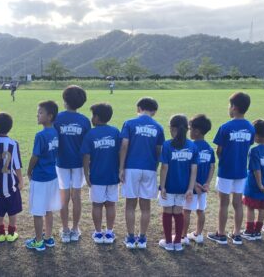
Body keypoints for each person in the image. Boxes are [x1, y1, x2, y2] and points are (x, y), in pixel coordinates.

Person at [208, 92, 255, 245]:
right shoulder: (250, 127)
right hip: (241, 171)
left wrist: (223, 159)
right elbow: (247, 146)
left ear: (234, 107)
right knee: (238, 203)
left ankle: (221, 234)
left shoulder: (225, 127)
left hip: (226, 170)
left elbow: (219, 150)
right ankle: (236, 234)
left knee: (223, 203)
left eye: (229, 106)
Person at [119, 97, 165, 249]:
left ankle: (131, 238)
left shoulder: (129, 123)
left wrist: (121, 167)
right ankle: (143, 238)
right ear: (154, 111)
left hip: (131, 167)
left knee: (130, 205)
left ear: (138, 108)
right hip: (149, 168)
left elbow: (124, 145)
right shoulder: (158, 127)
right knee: (146, 206)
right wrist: (154, 165)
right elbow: (159, 150)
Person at [54, 85, 91, 243]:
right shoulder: (84, 121)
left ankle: (65, 229)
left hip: (61, 162)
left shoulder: (57, 118)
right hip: (79, 164)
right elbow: (87, 145)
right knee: (76, 197)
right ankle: (75, 229)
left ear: (64, 100)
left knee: (64, 197)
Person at [80, 103, 120, 244]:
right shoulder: (115, 132)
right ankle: (109, 233)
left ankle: (98, 233)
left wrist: (86, 174)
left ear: (96, 117)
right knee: (110, 204)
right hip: (113, 176)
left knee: (97, 205)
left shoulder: (90, 134)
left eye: (92, 115)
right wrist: (120, 170)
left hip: (96, 176)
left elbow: (86, 156)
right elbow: (121, 153)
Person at [25, 101, 61, 252]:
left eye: (40, 112)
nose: (37, 115)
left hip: (40, 177)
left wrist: (28, 170)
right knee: (48, 209)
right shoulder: (55, 132)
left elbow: (35, 156)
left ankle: (39, 241)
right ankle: (48, 237)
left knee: (38, 211)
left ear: (50, 116)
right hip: (52, 176)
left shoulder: (40, 135)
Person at [158, 115, 198, 252]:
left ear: (173, 129)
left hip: (169, 186)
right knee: (178, 212)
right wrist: (190, 189)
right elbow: (194, 170)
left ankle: (169, 242)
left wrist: (162, 186)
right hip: (183, 187)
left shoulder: (167, 145)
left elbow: (164, 167)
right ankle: (178, 243)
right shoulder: (192, 145)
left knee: (167, 212)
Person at [182, 114, 215, 245]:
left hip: (193, 187)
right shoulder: (209, 148)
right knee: (201, 211)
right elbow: (212, 167)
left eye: (190, 129)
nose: (189, 131)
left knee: (186, 211)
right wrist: (207, 183)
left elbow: (187, 168)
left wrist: (194, 184)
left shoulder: (190, 146)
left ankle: (183, 236)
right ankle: (198, 234)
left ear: (196, 131)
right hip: (203, 188)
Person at [0, 112, 23, 243]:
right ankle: (11, 233)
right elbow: (17, 164)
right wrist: (21, 180)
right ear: (10, 126)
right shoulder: (13, 144)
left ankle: (0, 233)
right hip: (11, 185)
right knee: (12, 210)